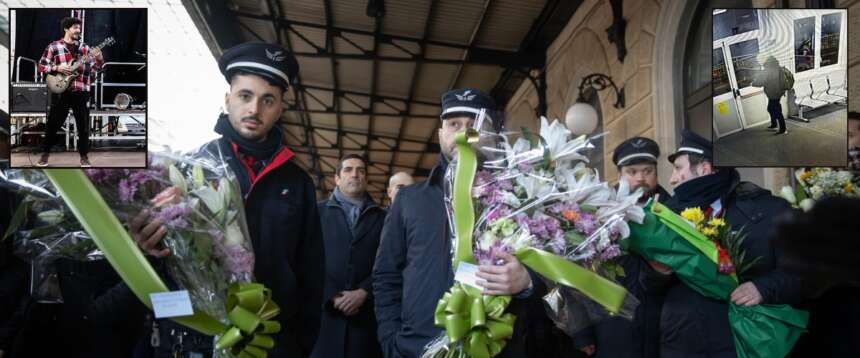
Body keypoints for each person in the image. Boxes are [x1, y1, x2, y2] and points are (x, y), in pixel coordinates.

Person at [130, 42, 324, 358]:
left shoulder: (297, 183)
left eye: (268, 100)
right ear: (227, 100)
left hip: (268, 343)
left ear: (280, 109)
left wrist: (298, 346)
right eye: (245, 96)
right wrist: (146, 245)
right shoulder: (187, 167)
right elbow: (162, 259)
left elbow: (311, 271)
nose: (254, 110)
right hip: (194, 339)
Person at [373, 88, 543, 358]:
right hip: (417, 348)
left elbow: (552, 266)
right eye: (454, 124)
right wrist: (391, 341)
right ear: (440, 134)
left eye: (475, 124)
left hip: (498, 346)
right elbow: (386, 276)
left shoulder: (522, 197)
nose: (464, 133)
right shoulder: (409, 200)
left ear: (490, 135)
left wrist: (528, 281)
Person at [656, 129, 801, 358]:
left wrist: (763, 288)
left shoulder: (768, 210)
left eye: (678, 168)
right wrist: (659, 272)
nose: (672, 180)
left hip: (744, 341)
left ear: (704, 168)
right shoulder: (667, 219)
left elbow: (801, 271)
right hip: (683, 343)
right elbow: (646, 290)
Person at [573, 136, 672, 357]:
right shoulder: (597, 212)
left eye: (647, 171)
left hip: (662, 326)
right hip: (611, 326)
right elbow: (578, 271)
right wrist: (582, 331)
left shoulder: (673, 210)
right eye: (632, 172)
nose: (640, 178)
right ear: (620, 174)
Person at [311, 154, 385, 358]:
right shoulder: (315, 213)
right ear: (336, 178)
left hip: (366, 321)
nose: (355, 174)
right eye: (348, 169)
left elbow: (389, 263)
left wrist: (364, 292)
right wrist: (332, 294)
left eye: (361, 170)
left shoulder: (383, 219)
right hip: (323, 318)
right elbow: (306, 261)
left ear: (367, 179)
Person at [36, 16, 104, 167]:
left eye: (79, 28)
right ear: (66, 29)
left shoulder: (85, 48)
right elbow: (41, 66)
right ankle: (45, 154)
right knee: (53, 124)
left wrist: (99, 59)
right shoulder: (54, 47)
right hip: (61, 90)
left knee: (84, 125)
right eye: (75, 27)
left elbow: (95, 69)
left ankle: (84, 156)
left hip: (81, 90)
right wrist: (56, 68)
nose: (78, 30)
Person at [752, 56, 789, 135]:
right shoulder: (778, 68)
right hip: (778, 93)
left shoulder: (768, 71)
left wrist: (753, 83)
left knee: (777, 111)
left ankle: (783, 129)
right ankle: (774, 125)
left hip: (773, 94)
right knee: (771, 109)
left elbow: (761, 82)